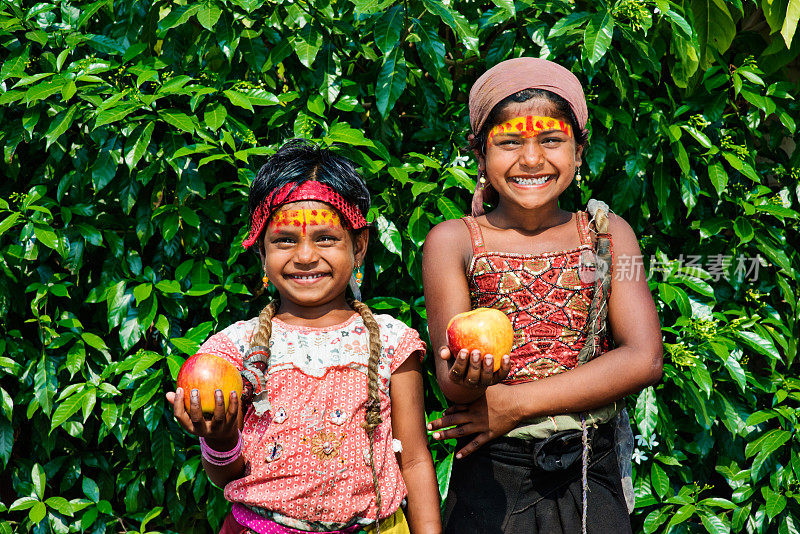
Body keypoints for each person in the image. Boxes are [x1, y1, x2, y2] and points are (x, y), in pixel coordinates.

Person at [423, 57, 663, 533]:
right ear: (480, 155)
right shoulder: (453, 241)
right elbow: (453, 382)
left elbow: (643, 359)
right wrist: (473, 377)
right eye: (509, 142)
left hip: (589, 472)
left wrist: (516, 403)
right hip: (493, 477)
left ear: (579, 152)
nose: (531, 160)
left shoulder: (607, 236)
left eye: (551, 141)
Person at [166, 140, 441, 534]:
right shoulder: (233, 352)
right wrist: (222, 438)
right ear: (261, 253)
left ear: (359, 246)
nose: (306, 256)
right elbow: (224, 476)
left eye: (326, 238)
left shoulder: (393, 343)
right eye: (284, 241)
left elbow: (413, 459)